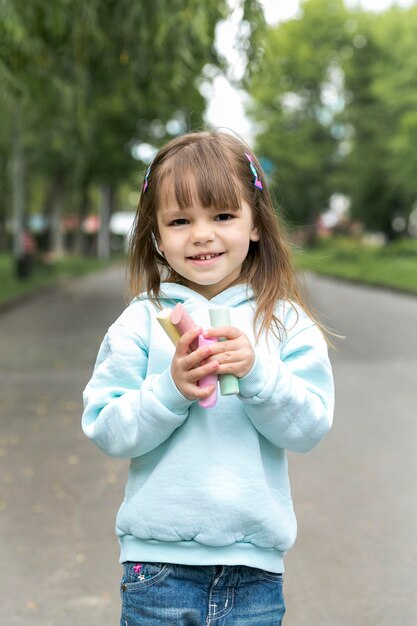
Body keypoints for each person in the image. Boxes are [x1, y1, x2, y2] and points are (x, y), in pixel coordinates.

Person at [82, 130, 334, 625]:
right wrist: (168, 390)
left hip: (254, 571)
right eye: (180, 220)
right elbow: (106, 426)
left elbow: (308, 428)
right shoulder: (140, 322)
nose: (201, 234)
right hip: (157, 568)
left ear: (255, 223)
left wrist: (260, 373)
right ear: (156, 234)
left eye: (222, 215)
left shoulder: (282, 322)